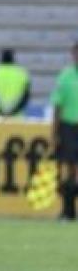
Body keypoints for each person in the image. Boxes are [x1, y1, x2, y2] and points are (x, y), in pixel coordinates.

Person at [51, 39, 78, 220]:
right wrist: (54, 133)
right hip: (68, 127)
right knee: (69, 169)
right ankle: (68, 211)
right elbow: (57, 107)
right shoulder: (65, 77)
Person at [0, 48, 30, 119]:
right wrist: (12, 112)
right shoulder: (22, 73)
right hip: (16, 118)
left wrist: (0, 111)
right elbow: (25, 97)